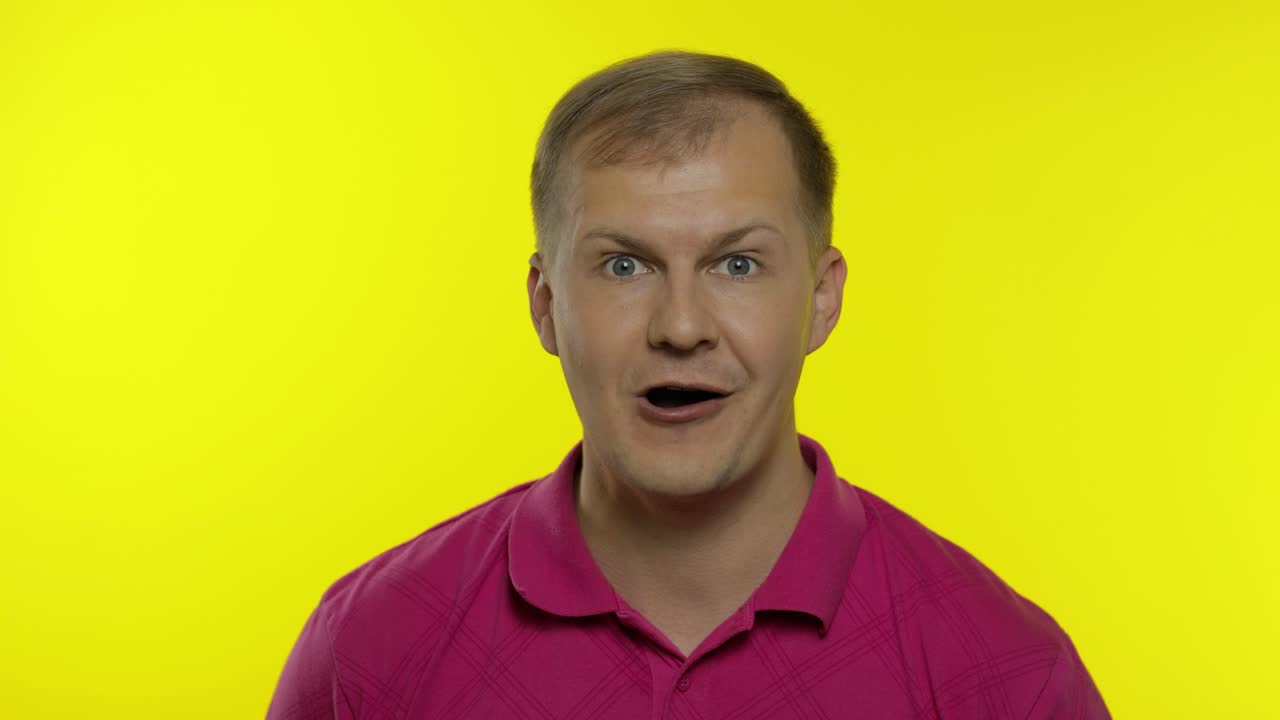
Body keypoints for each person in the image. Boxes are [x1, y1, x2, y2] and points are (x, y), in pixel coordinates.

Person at [266, 49, 1111, 719]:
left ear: (821, 300)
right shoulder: (369, 648)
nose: (680, 326)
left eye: (736, 264)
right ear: (546, 305)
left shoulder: (1007, 675)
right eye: (624, 265)